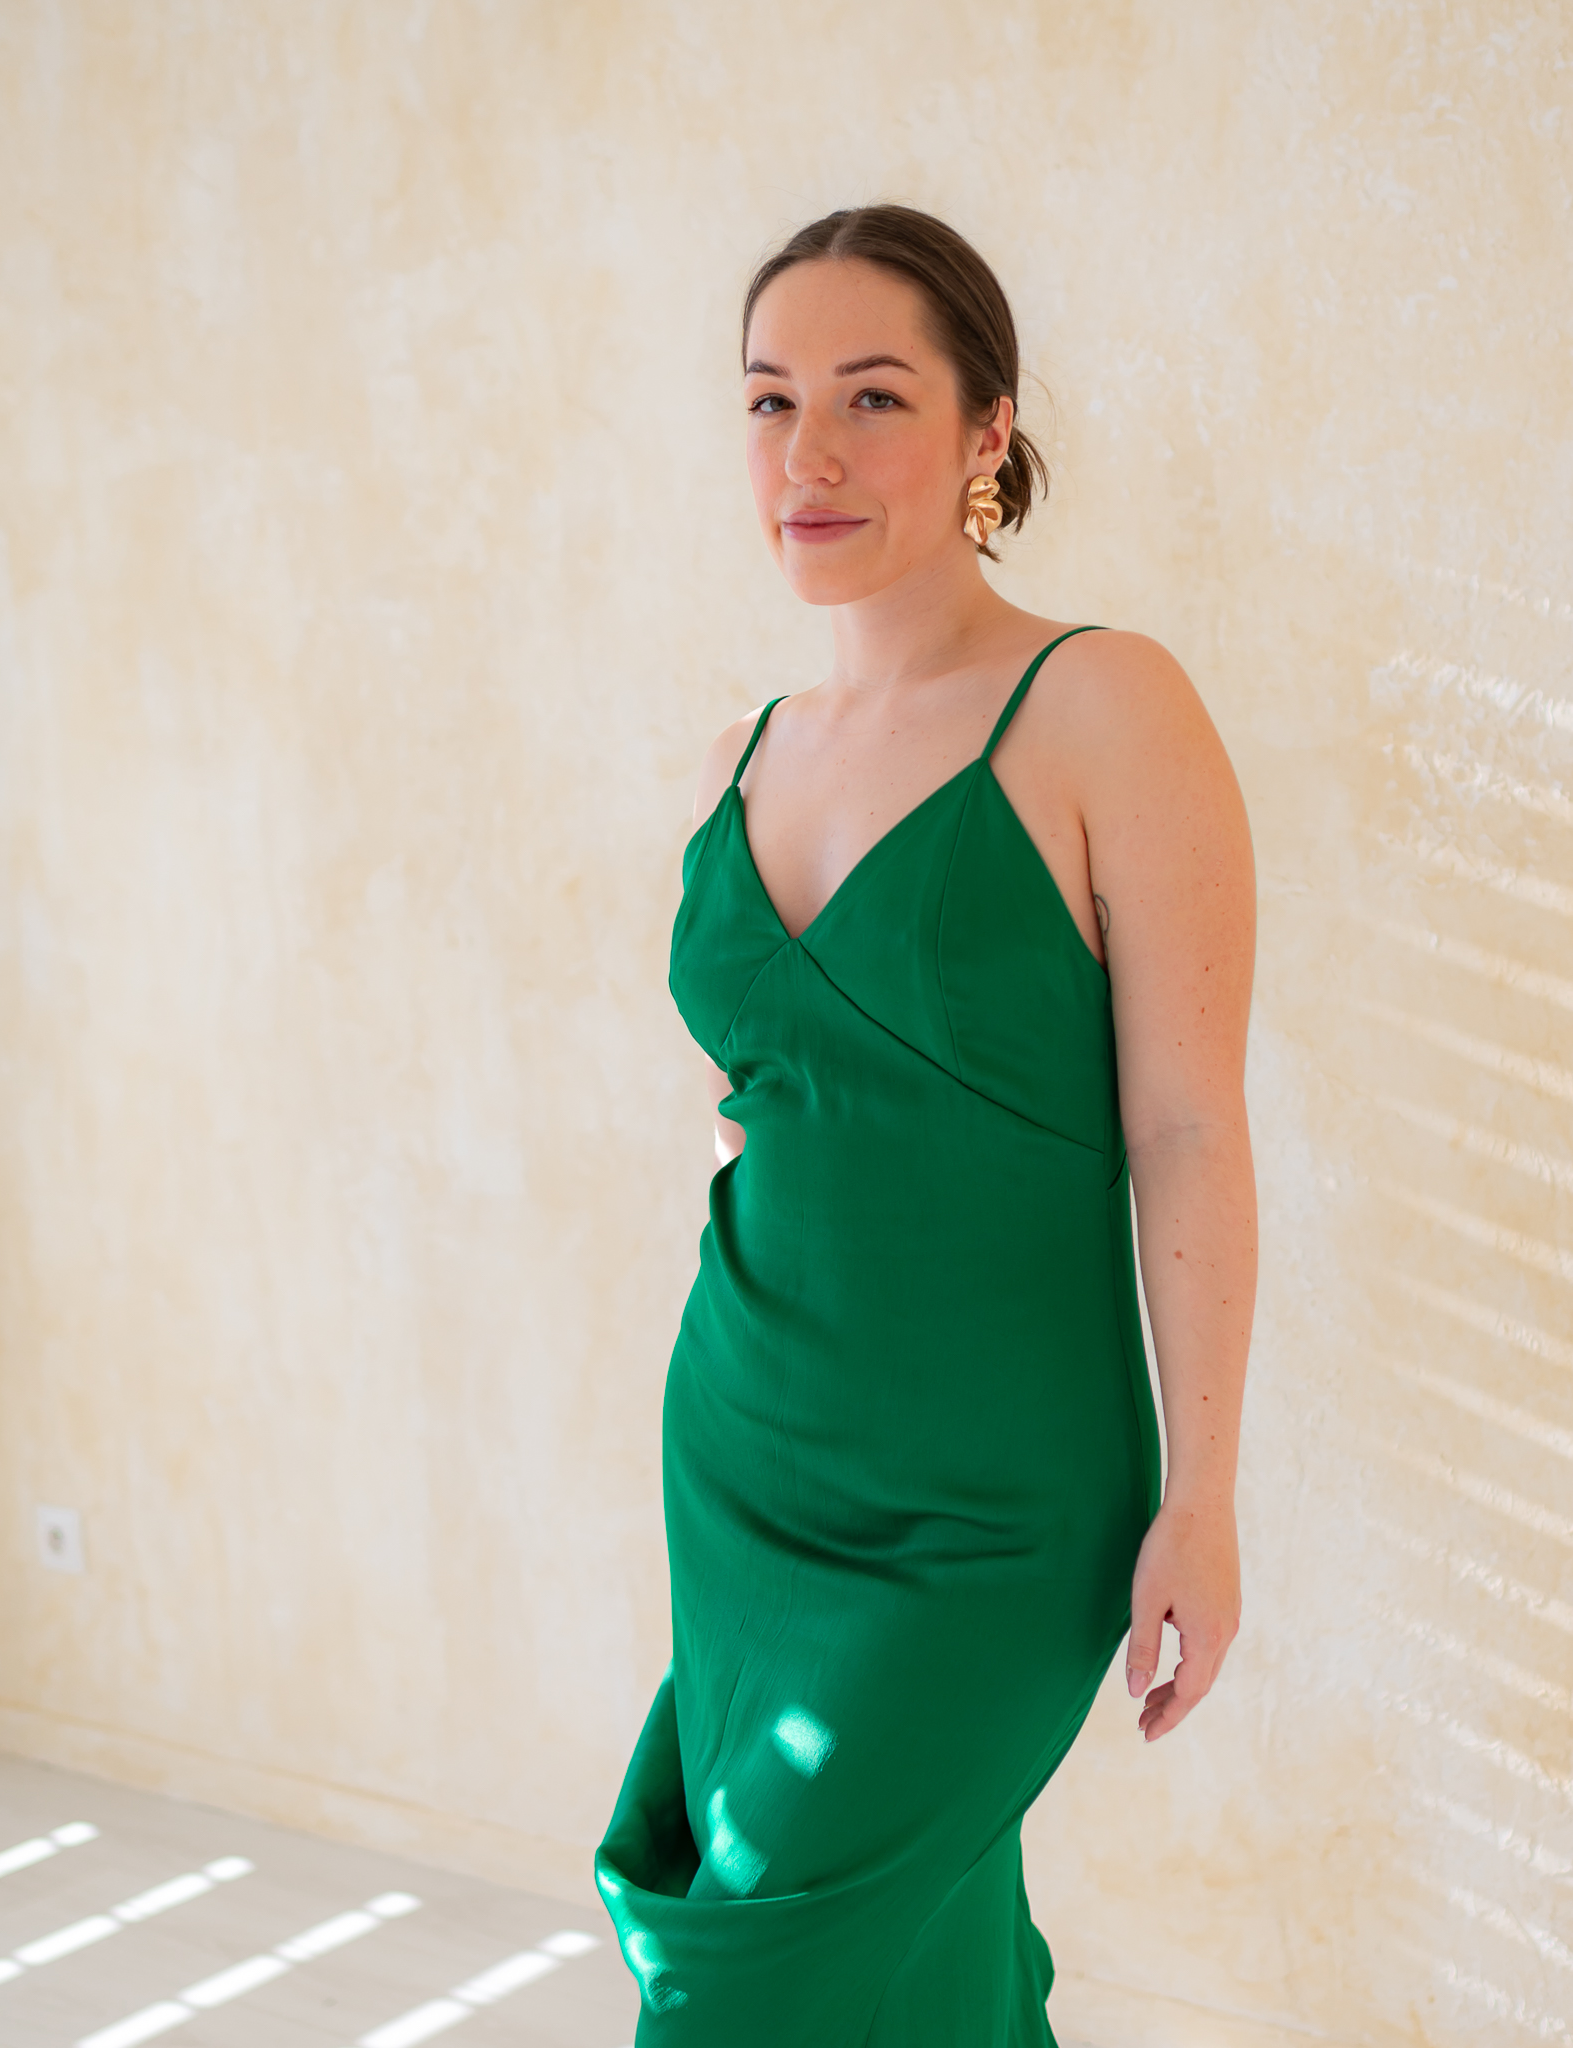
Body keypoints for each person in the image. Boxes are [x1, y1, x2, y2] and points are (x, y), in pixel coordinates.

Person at [596, 203, 1257, 2048]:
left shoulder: (1100, 704)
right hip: (746, 1452)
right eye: (768, 400)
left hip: (993, 1494)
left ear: (987, 429)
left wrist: (1201, 1496)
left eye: (871, 397)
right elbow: (776, 1104)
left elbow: (1186, 1129)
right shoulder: (749, 752)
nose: (806, 453)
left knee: (753, 1985)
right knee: (917, 1971)